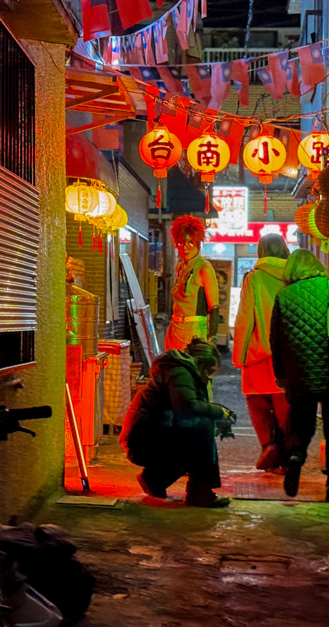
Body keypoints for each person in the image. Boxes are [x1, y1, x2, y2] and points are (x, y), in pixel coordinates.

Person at [270, 249, 329, 502]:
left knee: (301, 422)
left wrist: (280, 373)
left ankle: (295, 458)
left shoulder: (284, 296)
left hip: (298, 373)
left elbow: (275, 340)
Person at [118, 338, 236, 508]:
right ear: (200, 364)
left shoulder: (181, 371)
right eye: (209, 371)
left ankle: (155, 478)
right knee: (201, 428)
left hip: (147, 434)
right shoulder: (181, 373)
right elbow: (187, 408)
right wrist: (219, 412)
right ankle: (199, 491)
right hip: (142, 440)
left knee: (199, 432)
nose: (209, 376)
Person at [232, 233, 291, 472]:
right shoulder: (294, 277)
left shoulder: (254, 278)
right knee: (284, 403)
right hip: (288, 352)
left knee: (257, 401)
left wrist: (240, 354)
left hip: (258, 350)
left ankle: (268, 445)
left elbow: (245, 317)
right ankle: (288, 454)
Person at [164, 215, 219, 351]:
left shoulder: (204, 268)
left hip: (194, 330)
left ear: (198, 243)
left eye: (190, 243)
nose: (185, 248)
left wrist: (211, 340)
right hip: (174, 327)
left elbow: (214, 308)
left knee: (192, 370)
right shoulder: (181, 267)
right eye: (181, 243)